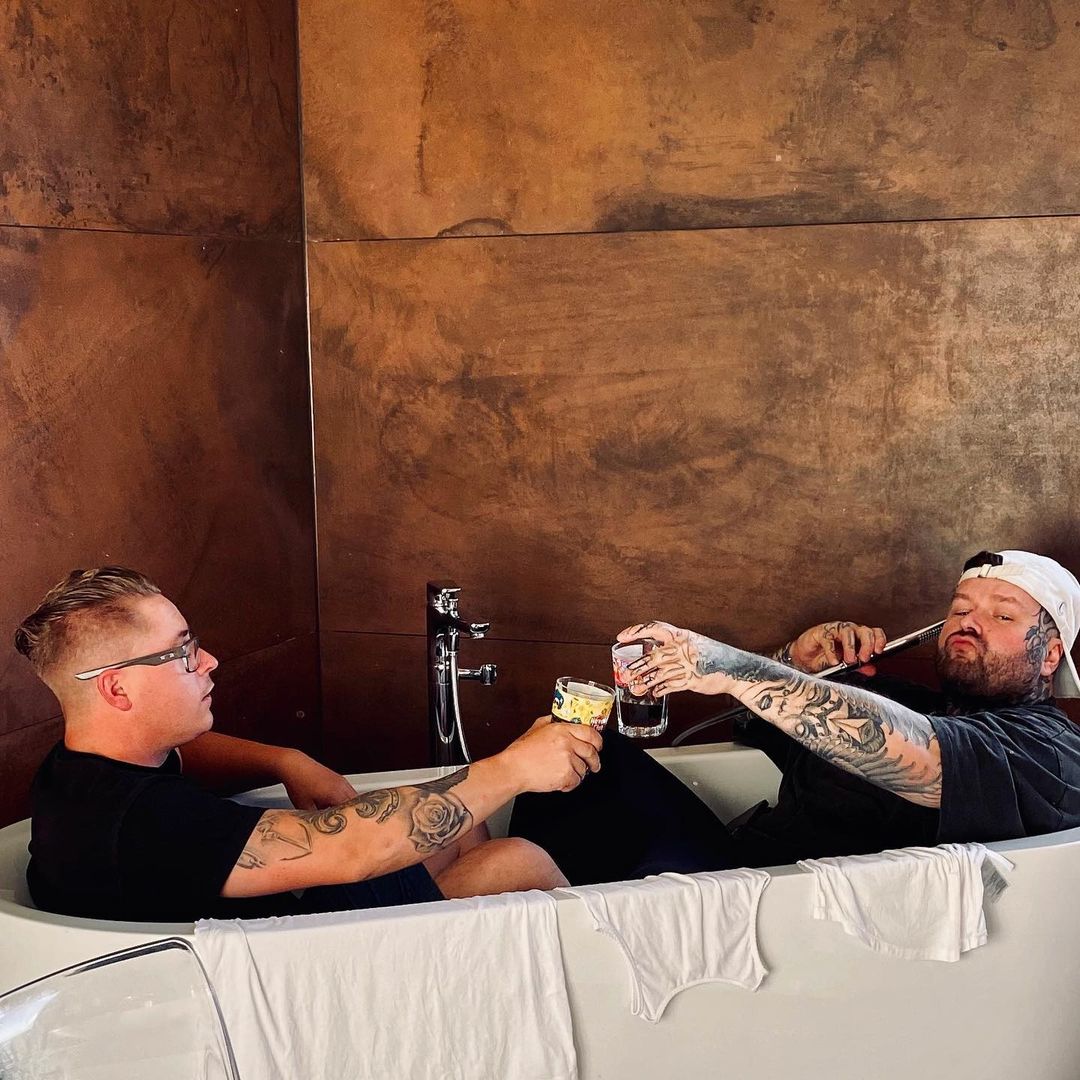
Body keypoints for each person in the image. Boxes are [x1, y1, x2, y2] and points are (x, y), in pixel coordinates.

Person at [14, 567, 602, 922]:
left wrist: (285, 760)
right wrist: (515, 768)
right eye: (183, 652)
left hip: (272, 913)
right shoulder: (145, 825)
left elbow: (187, 752)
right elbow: (352, 851)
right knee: (515, 861)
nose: (209, 661)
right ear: (118, 689)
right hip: (291, 961)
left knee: (464, 824)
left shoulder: (83, 766)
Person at [617, 548, 1080, 867]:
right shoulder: (908, 701)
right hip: (734, 864)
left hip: (783, 910)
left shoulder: (1053, 748)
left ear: (1051, 655)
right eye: (960, 610)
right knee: (599, 755)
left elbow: (927, 758)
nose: (969, 624)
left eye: (1002, 615)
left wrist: (733, 667)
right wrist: (798, 665)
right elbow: (745, 722)